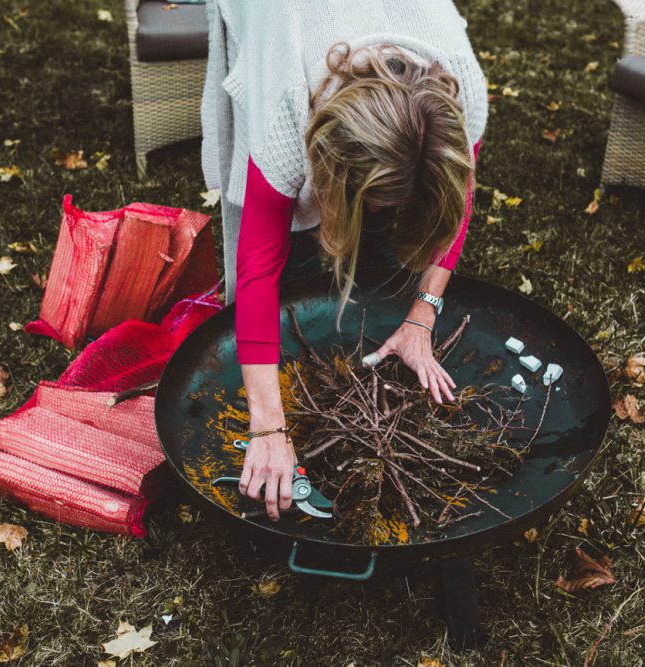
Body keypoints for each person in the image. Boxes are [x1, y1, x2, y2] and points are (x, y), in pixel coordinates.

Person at [200, 1, 488, 520]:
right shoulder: (285, 112)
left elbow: (454, 207)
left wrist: (422, 315)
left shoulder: (463, 96)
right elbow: (259, 266)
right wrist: (268, 428)